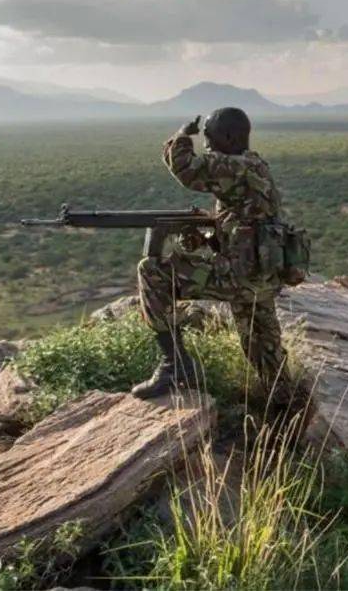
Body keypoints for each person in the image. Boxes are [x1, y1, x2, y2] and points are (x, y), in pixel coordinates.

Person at [131, 108, 309, 411]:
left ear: (229, 137)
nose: (208, 147)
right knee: (263, 349)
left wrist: (182, 135)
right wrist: (210, 236)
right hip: (261, 277)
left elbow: (185, 167)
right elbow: (246, 226)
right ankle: (285, 411)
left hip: (237, 279)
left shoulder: (233, 165)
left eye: (210, 140)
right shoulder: (255, 166)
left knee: (151, 272)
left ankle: (174, 365)